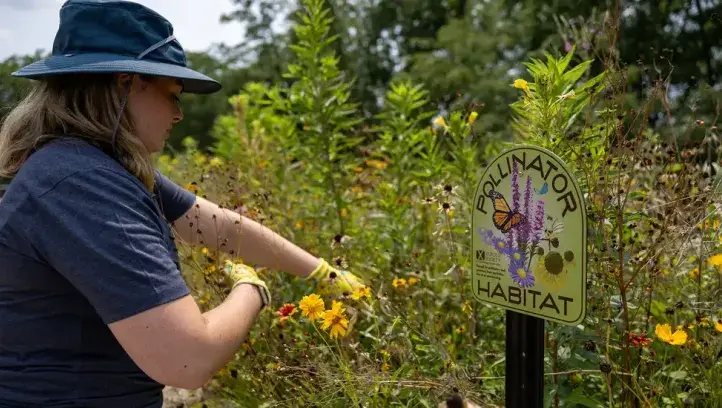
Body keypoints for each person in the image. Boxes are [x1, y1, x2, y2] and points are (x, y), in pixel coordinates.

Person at [0, 1, 367, 407]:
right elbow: (188, 360)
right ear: (126, 82)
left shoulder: (96, 166)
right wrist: (251, 290)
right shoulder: (81, 185)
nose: (178, 114)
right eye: (173, 95)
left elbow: (219, 227)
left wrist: (323, 273)